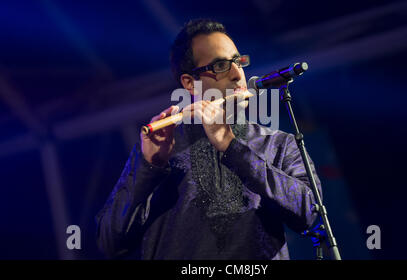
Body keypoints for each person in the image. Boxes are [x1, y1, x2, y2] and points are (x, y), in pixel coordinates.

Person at [95, 19, 322, 259]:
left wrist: (229, 144)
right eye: (221, 65)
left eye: (238, 61)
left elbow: (310, 212)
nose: (237, 75)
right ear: (189, 83)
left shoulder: (278, 144)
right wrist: (150, 167)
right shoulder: (163, 147)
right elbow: (110, 241)